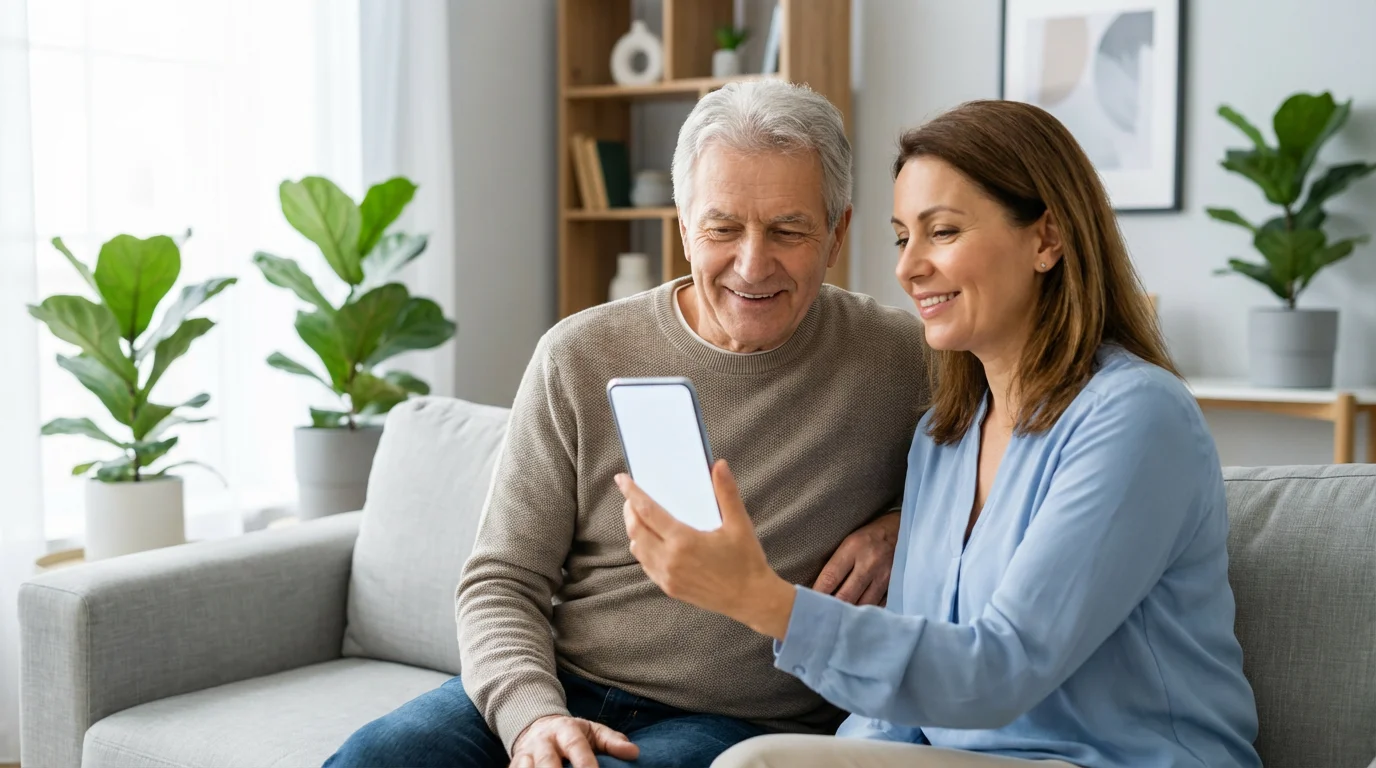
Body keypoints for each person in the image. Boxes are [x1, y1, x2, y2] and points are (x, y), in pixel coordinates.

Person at [615, 99, 1262, 768]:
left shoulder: (1136, 418)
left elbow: (1003, 670)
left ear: (1047, 239)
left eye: (942, 232)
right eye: (902, 238)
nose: (908, 267)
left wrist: (762, 600)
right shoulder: (944, 438)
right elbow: (898, 705)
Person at [324, 80, 930, 768]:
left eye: (788, 230)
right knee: (374, 758)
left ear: (838, 232)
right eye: (723, 228)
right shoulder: (580, 355)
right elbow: (502, 579)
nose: (752, 263)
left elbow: (1018, 477)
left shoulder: (902, 358)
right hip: (562, 682)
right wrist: (533, 719)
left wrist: (905, 524)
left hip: (738, 721)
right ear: (681, 225)